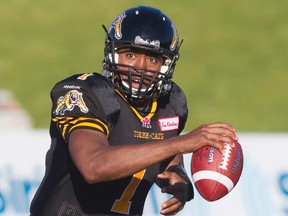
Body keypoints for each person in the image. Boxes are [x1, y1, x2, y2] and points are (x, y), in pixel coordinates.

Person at [30, 5, 238, 216]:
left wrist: (177, 173)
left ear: (166, 65)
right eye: (130, 55)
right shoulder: (86, 92)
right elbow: (93, 166)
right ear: (113, 54)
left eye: (153, 59)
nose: (140, 67)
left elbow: (166, 142)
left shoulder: (170, 103)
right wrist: (182, 143)